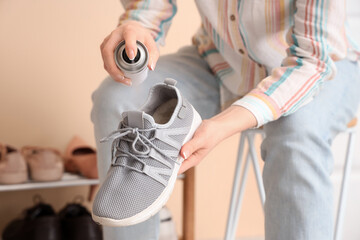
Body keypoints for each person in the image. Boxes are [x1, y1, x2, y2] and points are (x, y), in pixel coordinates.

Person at [91, 0, 360, 239]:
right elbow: (150, 7)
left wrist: (223, 125)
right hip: (222, 61)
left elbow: (312, 62)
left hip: (322, 68)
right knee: (115, 98)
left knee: (296, 134)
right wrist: (136, 29)